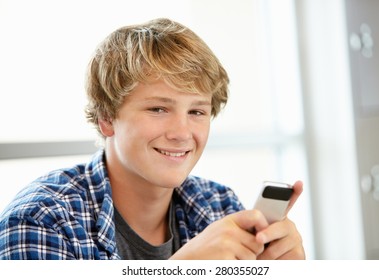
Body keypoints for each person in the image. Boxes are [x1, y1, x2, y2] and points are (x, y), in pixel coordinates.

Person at [0, 18, 305, 260]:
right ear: (107, 118)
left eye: (197, 112)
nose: (182, 133)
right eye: (159, 109)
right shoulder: (41, 222)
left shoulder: (218, 206)